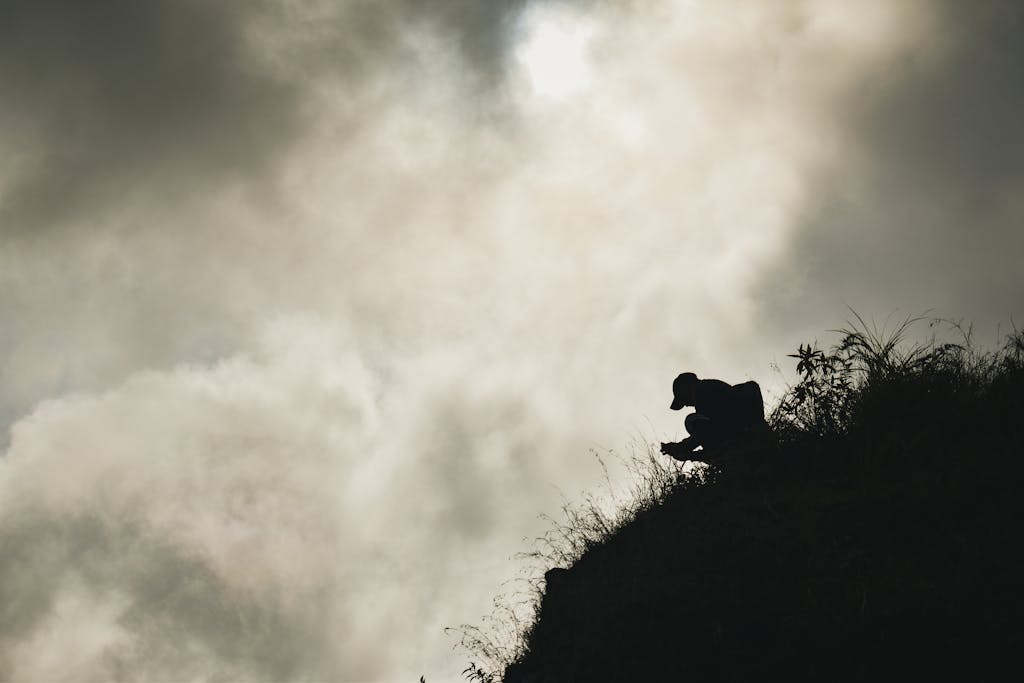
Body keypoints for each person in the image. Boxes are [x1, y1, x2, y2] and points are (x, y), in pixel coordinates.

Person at [660, 372, 766, 460]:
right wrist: (684, 450)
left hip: (741, 434)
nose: (687, 405)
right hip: (744, 431)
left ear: (687, 387)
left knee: (691, 420)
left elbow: (705, 434)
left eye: (683, 399)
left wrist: (682, 448)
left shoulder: (703, 392)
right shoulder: (708, 388)